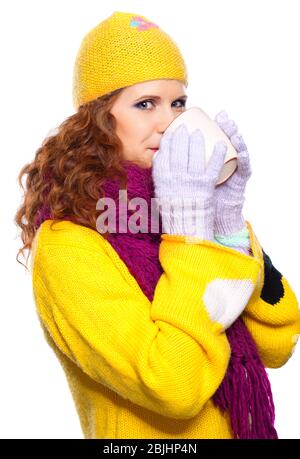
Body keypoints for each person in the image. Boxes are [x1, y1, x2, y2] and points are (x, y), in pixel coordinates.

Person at [14, 11, 300, 440]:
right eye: (145, 104)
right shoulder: (68, 245)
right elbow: (173, 384)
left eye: (178, 103)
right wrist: (189, 234)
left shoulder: (194, 213)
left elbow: (277, 344)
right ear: (96, 118)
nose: (169, 122)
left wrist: (225, 222)